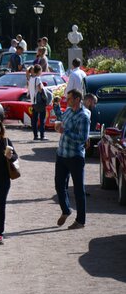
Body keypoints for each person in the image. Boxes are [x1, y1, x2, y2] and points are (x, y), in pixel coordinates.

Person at [54, 89, 91, 229]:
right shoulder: (69, 111)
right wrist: (56, 106)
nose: (67, 100)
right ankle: (66, 210)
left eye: (69, 98)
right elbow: (61, 118)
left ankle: (80, 221)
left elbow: (82, 139)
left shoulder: (83, 117)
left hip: (75, 156)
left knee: (78, 189)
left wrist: (65, 131)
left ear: (77, 99)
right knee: (59, 185)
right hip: (62, 154)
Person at [27, 65, 47, 141]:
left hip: (33, 101)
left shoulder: (31, 79)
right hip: (39, 102)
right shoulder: (38, 79)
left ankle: (35, 135)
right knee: (42, 119)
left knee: (34, 120)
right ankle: (42, 136)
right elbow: (40, 89)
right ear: (39, 71)